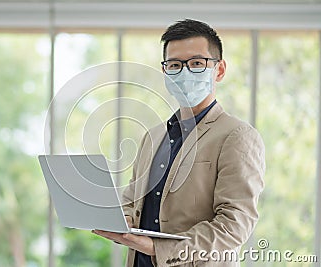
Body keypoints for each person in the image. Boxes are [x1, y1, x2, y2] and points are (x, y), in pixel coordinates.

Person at [94, 19, 265, 267]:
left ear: (219, 70)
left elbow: (234, 226)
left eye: (196, 63)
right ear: (165, 72)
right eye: (174, 65)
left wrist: (158, 248)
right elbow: (132, 201)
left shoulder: (237, 136)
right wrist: (123, 221)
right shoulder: (153, 137)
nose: (184, 72)